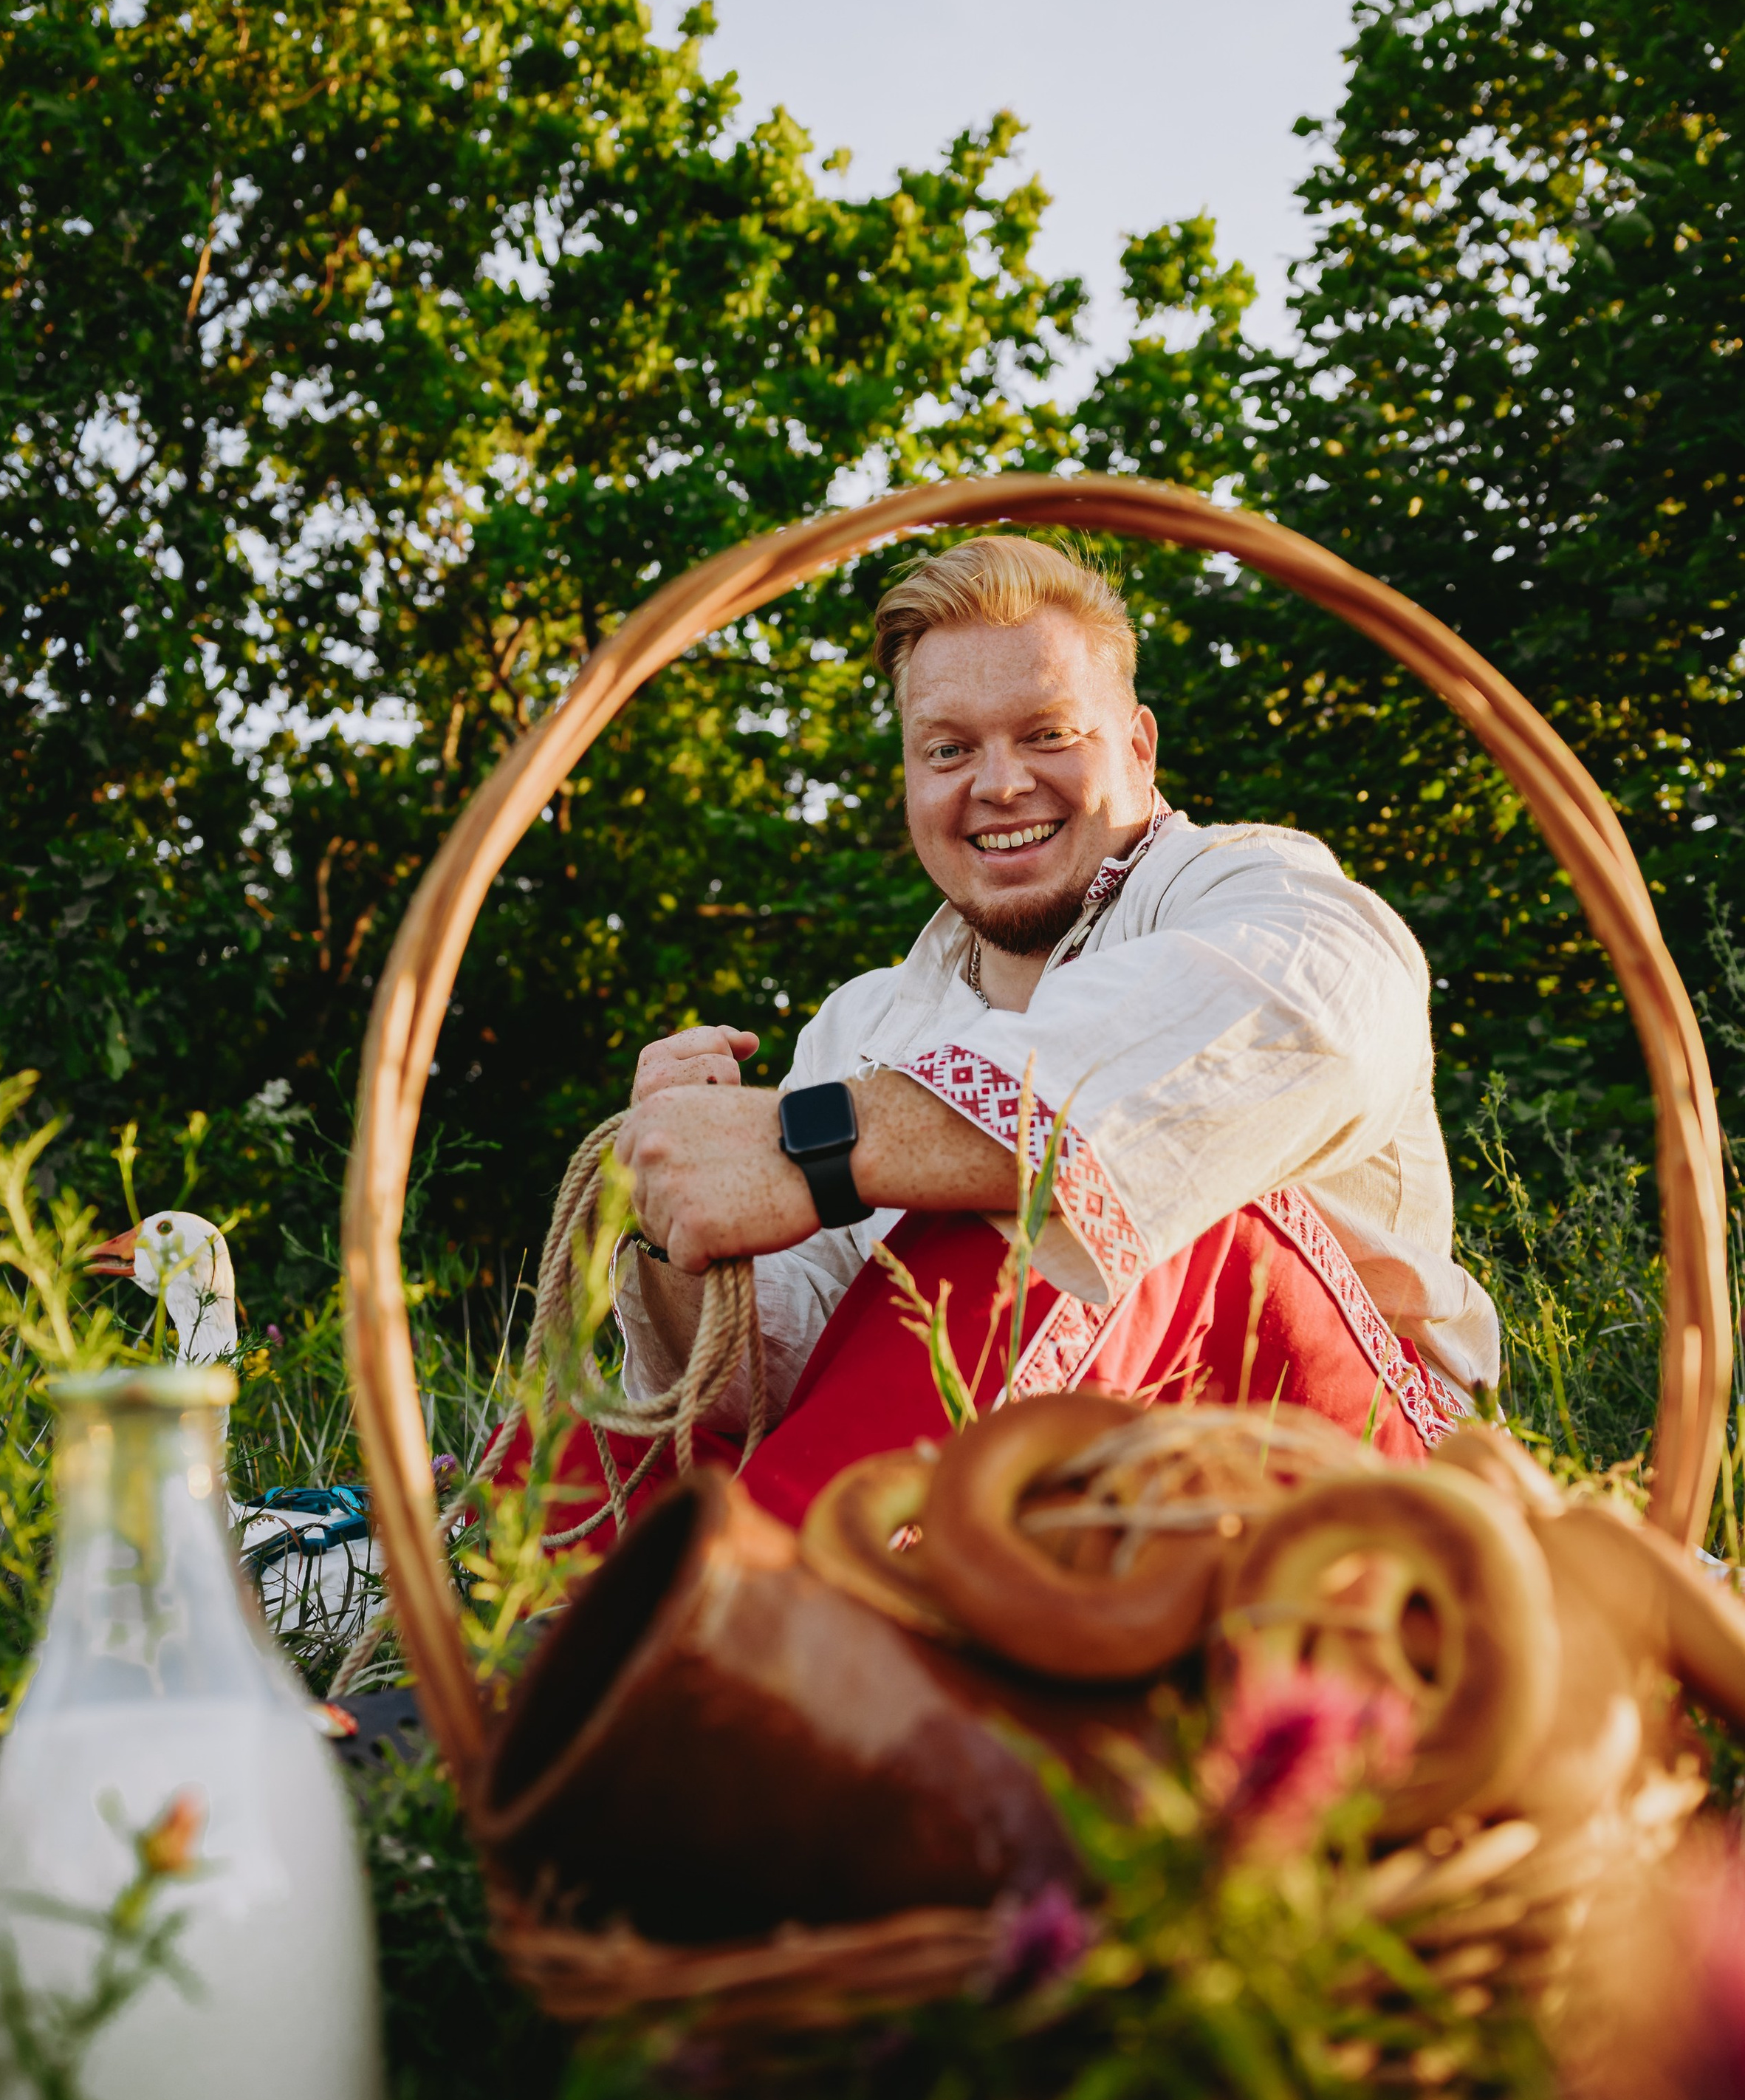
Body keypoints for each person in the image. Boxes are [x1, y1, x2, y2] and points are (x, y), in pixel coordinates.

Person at [583, 533, 1497, 1536]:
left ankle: (750, 1613)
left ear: (1140, 747)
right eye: (949, 748)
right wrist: (682, 1216)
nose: (1001, 783)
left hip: (1346, 1480)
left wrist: (823, 1144)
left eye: (1049, 733)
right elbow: (799, 1371)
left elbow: (1319, 1010)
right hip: (1023, 1498)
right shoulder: (863, 1021)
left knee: (1065, 1189)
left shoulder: (1250, 886)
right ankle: (496, 1644)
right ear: (910, 776)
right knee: (602, 1449)